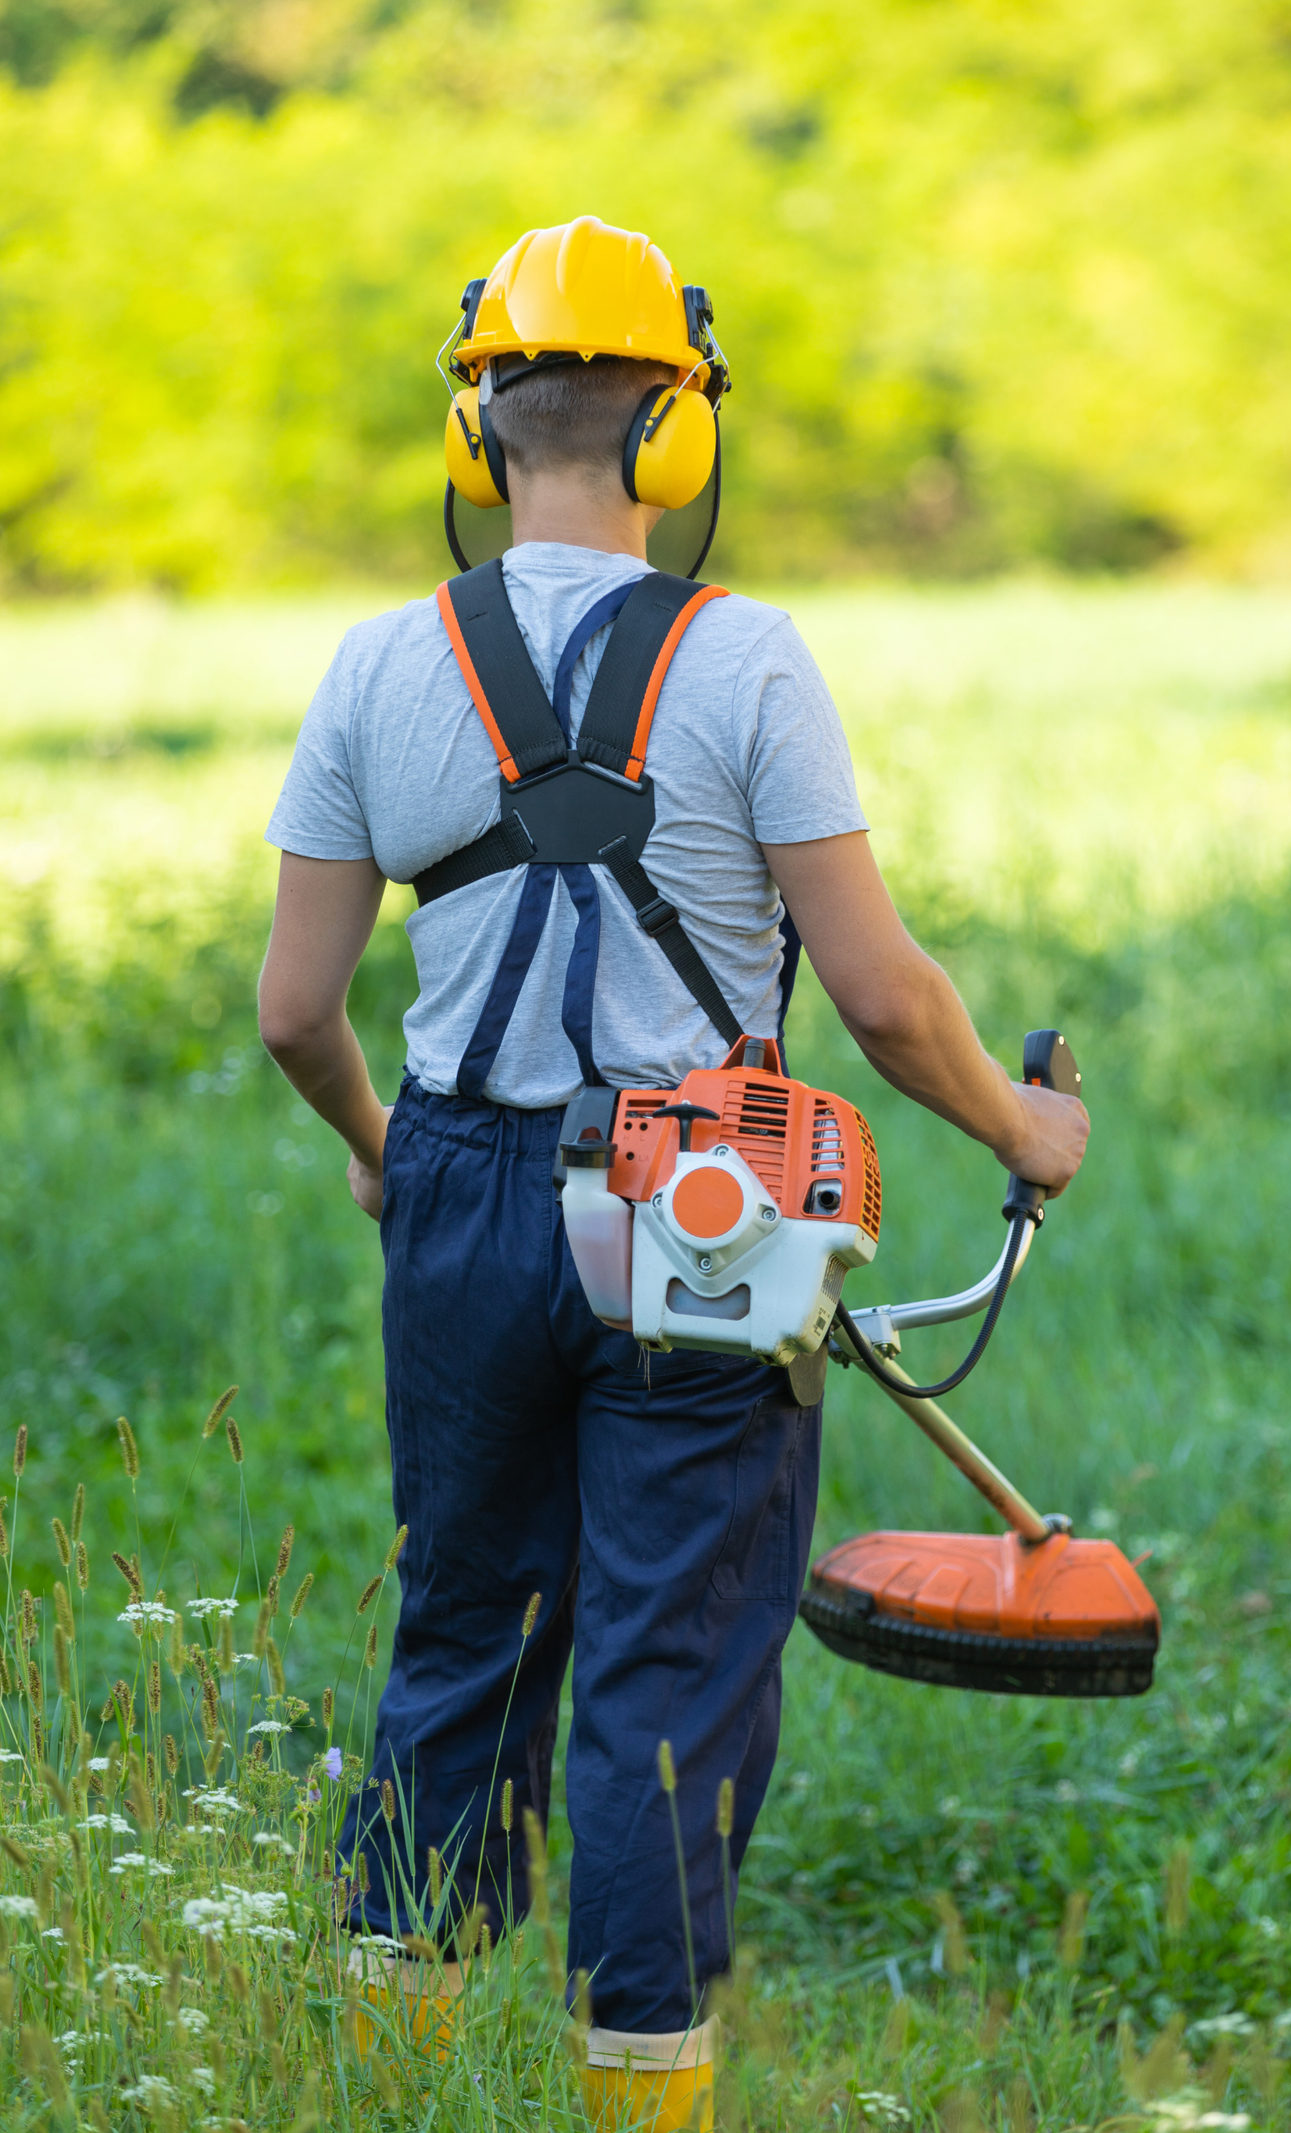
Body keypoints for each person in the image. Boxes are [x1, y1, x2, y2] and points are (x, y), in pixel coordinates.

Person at [257, 215, 1088, 2129]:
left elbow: (298, 1011)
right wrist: (1021, 1125)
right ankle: (639, 2102)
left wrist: (392, 1162)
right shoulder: (751, 660)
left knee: (463, 1629)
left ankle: (391, 2081)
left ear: (478, 429)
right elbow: (880, 999)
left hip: (464, 1191)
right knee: (666, 1674)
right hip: (707, 1212)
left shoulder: (380, 667)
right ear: (674, 436)